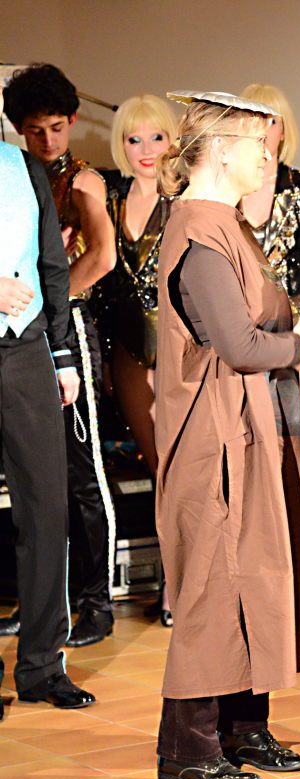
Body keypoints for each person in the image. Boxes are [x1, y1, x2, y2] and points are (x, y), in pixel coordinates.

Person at [153, 90, 300, 779]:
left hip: (251, 426)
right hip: (215, 435)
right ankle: (187, 745)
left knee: (254, 570)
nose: (268, 155)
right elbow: (240, 345)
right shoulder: (198, 231)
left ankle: (243, 728)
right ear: (221, 150)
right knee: (214, 584)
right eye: (258, 143)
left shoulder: (228, 223)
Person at [3, 64, 117, 648]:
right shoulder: (17, 172)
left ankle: (96, 602)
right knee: (38, 483)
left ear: (71, 122)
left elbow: (103, 258)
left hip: (65, 327)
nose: (47, 140)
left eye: (55, 127)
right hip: (28, 331)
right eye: (34, 130)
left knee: (80, 472)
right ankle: (45, 606)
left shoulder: (83, 180)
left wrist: (47, 300)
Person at [0, 86, 95, 713]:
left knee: (46, 509)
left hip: (26, 350)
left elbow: (52, 266)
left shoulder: (23, 167)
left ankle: (41, 666)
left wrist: (61, 356)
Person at [95, 95, 177, 626]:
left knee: (184, 470)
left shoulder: (188, 198)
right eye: (133, 138)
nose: (146, 149)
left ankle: (180, 587)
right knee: (159, 470)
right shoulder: (109, 198)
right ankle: (176, 577)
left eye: (156, 136)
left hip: (183, 352)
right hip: (127, 354)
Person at [239, 84, 300, 529]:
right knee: (249, 452)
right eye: (251, 122)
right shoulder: (227, 193)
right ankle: (260, 556)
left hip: (299, 334)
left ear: (283, 128)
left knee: (298, 446)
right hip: (240, 336)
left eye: (269, 120)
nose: (261, 131)